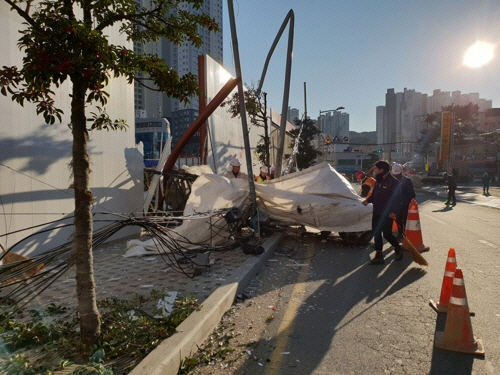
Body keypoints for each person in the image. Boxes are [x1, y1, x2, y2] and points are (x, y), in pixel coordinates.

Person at [362, 161, 403, 265]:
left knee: (387, 234)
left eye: (376, 168)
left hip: (387, 213)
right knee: (376, 233)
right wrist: (368, 200)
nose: (374, 170)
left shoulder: (393, 182)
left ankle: (398, 247)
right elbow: (375, 194)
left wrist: (394, 212)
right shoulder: (378, 180)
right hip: (377, 211)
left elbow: (397, 199)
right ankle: (379, 255)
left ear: (382, 170)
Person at [391, 163, 415, 240]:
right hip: (396, 205)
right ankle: (400, 233)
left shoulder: (407, 181)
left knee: (405, 220)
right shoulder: (392, 180)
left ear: (401, 172)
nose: (396, 176)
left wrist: (411, 204)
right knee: (398, 219)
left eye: (397, 175)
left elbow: (411, 194)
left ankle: (406, 234)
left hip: (405, 204)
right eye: (394, 175)